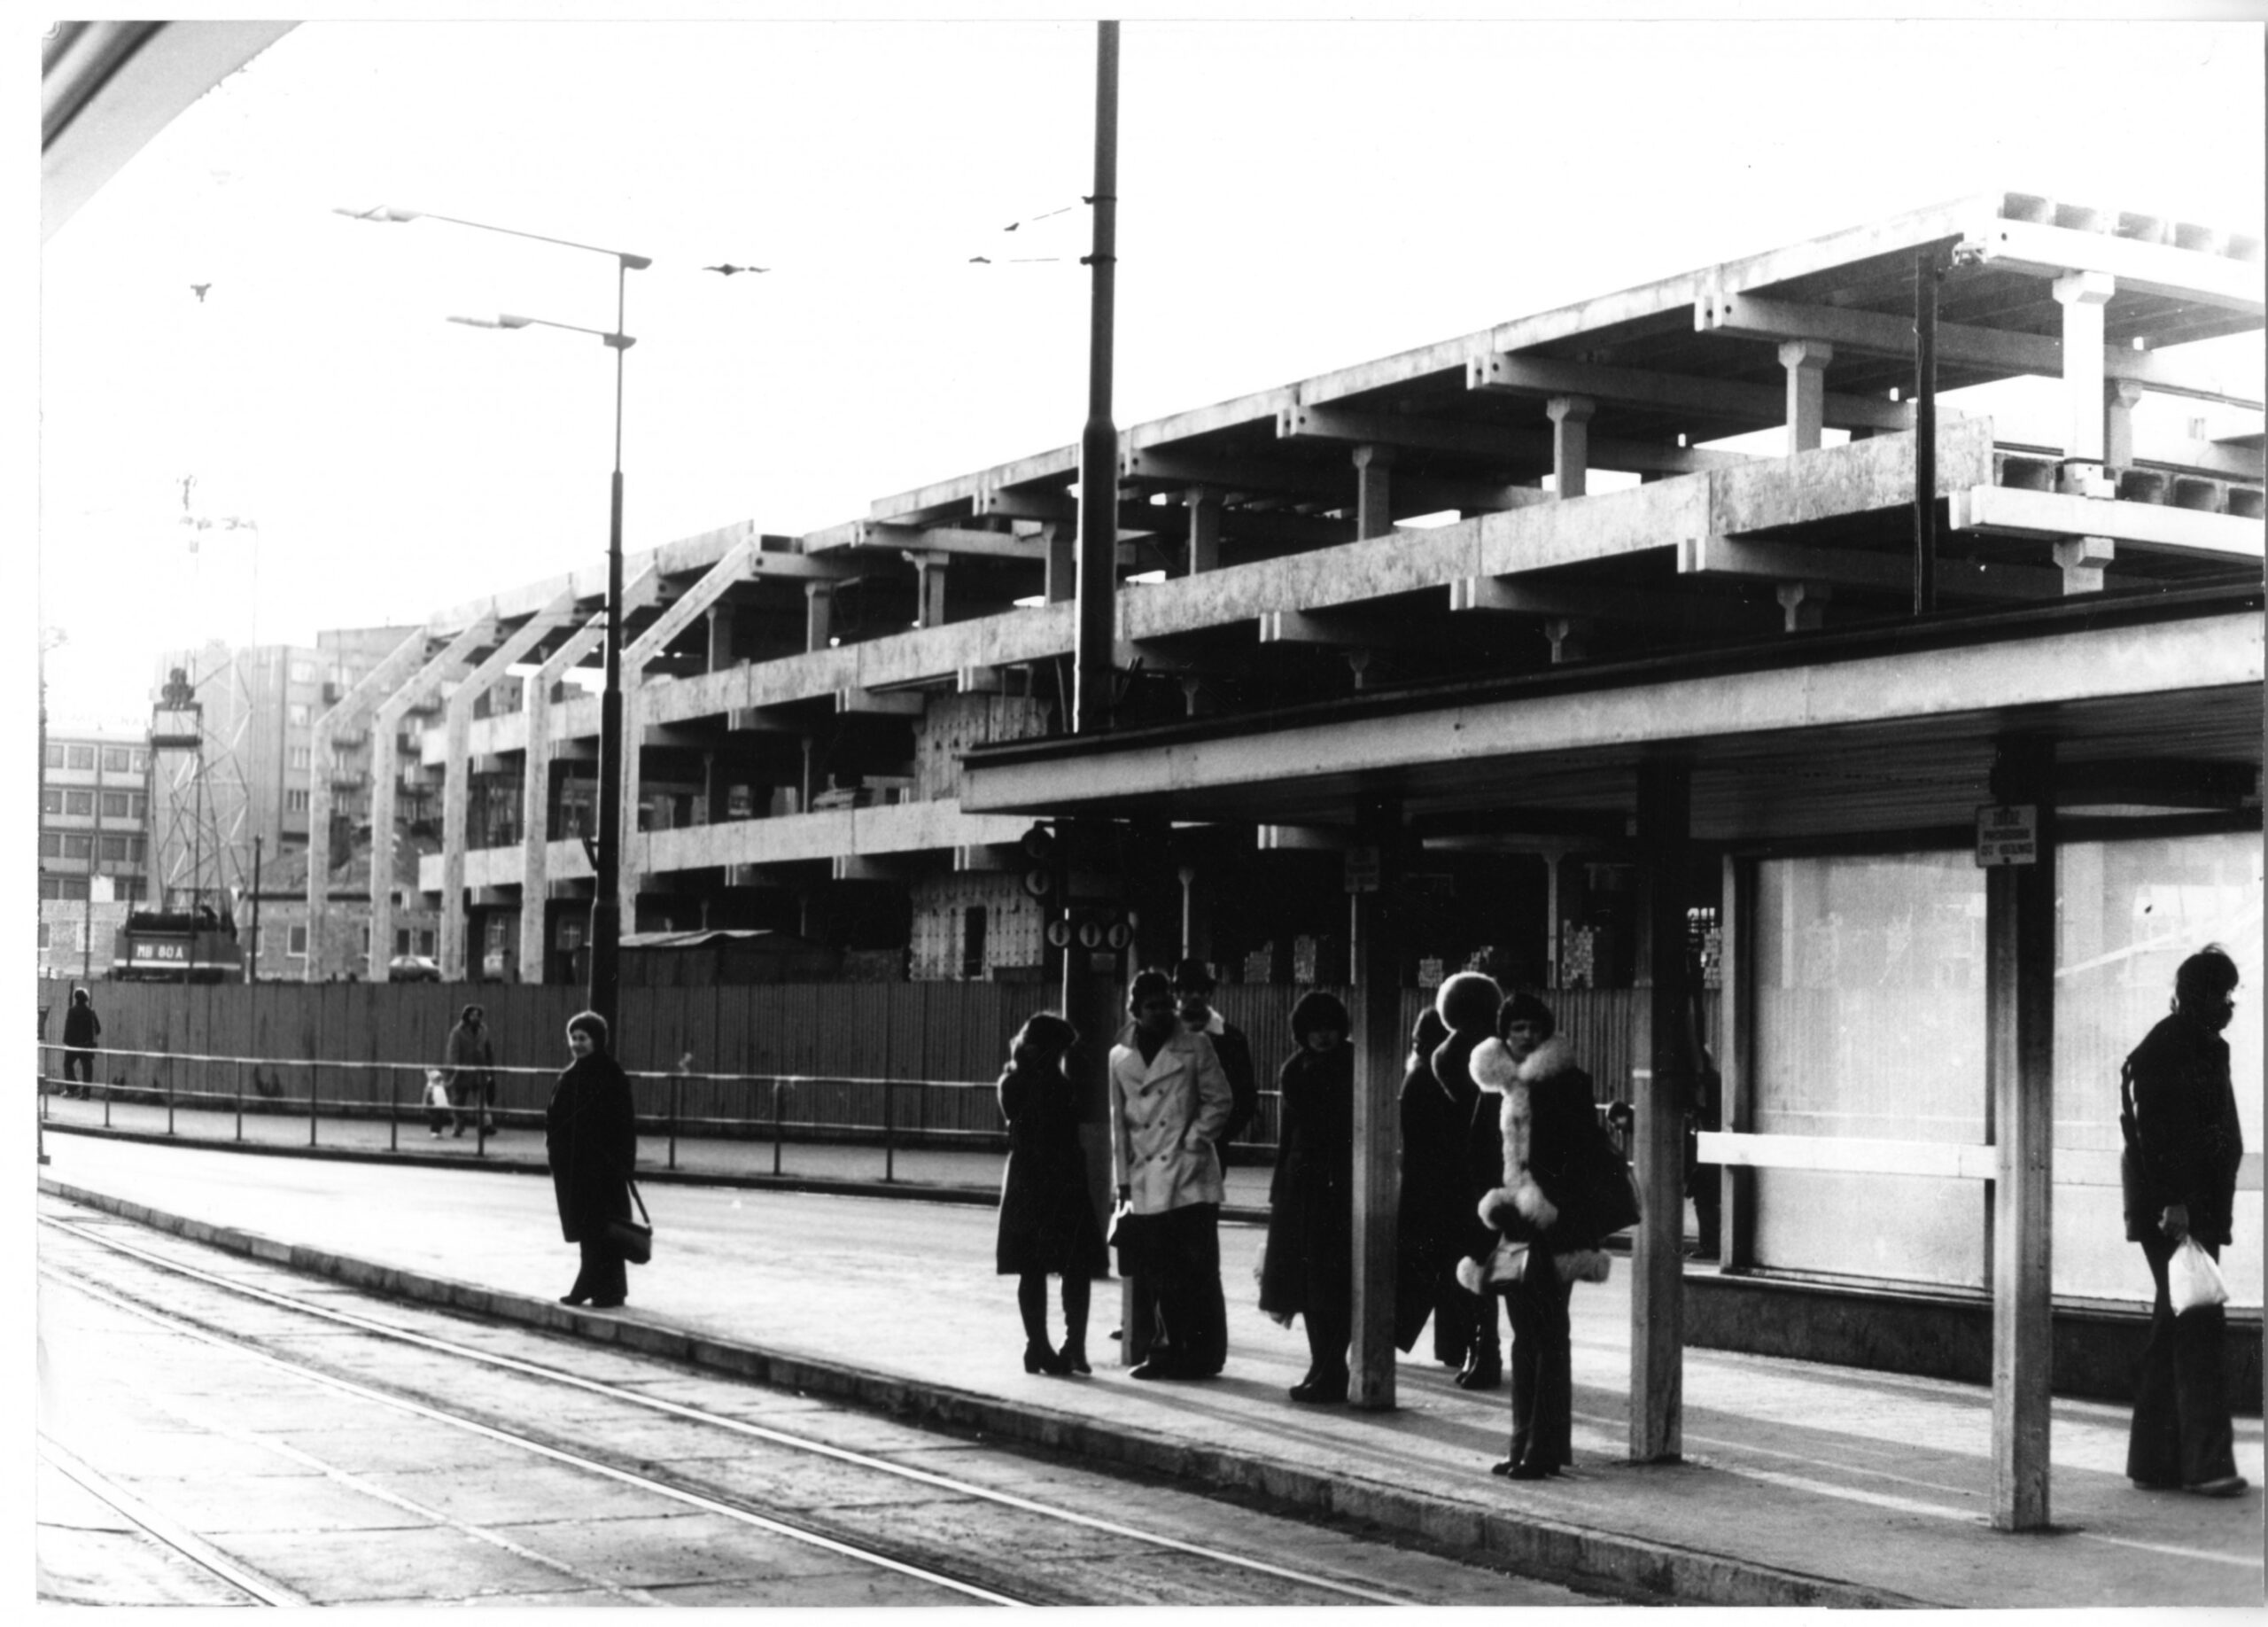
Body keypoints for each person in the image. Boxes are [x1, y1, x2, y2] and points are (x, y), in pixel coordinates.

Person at [1464, 993, 1631, 1481]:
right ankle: (1524, 1445)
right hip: (1513, 1225)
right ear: (1504, 1033)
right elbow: (1476, 1154)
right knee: (1525, 1337)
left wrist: (1548, 1202)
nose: (1525, 1035)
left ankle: (1544, 1449)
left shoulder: (1568, 1083)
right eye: (1516, 1027)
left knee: (1549, 1334)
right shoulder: (1494, 1086)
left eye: (1533, 1027)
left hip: (1557, 1226)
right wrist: (1494, 1203)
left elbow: (1580, 1155)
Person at [2121, 945, 2248, 1499]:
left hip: (2192, 1208)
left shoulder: (2188, 1043)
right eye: (2223, 995)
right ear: (2201, 994)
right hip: (2179, 1212)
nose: (2229, 1006)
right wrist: (2177, 1201)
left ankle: (2154, 1461)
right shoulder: (2173, 1048)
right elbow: (2159, 1133)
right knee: (2195, 1327)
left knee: (2174, 1326)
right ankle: (2205, 1464)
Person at [1110, 969, 1234, 1381]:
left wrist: (1195, 1140)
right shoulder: (1119, 1057)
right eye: (1152, 1006)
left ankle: (1204, 1355)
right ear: (1135, 1009)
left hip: (1190, 1174)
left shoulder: (1195, 1045)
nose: (1161, 1012)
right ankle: (1164, 1352)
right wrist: (1123, 1182)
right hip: (1146, 1175)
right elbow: (1119, 1123)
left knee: (1198, 1271)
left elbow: (1221, 1099)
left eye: (1166, 1003)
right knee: (1158, 1273)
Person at [996, 1012, 1108, 1376]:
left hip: (1048, 1180)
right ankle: (1042, 1345)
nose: (1061, 1057)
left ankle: (1067, 1345)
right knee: (1039, 1267)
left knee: (1065, 1266)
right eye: (1056, 1050)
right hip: (1042, 1179)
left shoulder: (1045, 1081)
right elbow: (1038, 1120)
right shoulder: (1018, 1083)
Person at [1259, 991, 1355, 1402]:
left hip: (1340, 1184)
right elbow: (1288, 1133)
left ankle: (1334, 1368)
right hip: (1300, 1184)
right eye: (1314, 1029)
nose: (1322, 1036)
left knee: (1331, 1284)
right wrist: (1278, 1188)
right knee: (1305, 1285)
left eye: (1329, 1028)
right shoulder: (1293, 1069)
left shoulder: (1354, 1064)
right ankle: (1323, 1365)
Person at [1431, 970, 1504, 1389]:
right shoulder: (1498, 1049)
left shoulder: (1446, 1053)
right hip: (1496, 1170)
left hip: (1460, 1177)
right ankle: (1486, 1348)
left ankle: (1480, 1347)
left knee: (1473, 1267)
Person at [1394, 1006, 1474, 1366]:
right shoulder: (1439, 1077)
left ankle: (1407, 1336)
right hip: (1447, 1186)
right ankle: (1452, 1346)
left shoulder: (1417, 1075)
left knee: (1425, 1268)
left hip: (1423, 1185)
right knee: (1449, 1272)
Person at [546, 1010, 639, 1311]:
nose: (576, 1043)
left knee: (602, 1229)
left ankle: (597, 1287)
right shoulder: (573, 1074)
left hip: (603, 1167)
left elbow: (624, 1123)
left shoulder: (609, 1074)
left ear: (597, 1040)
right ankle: (607, 1289)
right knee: (593, 1229)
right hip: (578, 1168)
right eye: (573, 1038)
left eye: (583, 1038)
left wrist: (623, 1163)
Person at [445, 1003, 497, 1137]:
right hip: (462, 1072)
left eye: (478, 1015)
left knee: (481, 1100)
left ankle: (485, 1125)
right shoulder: (457, 1031)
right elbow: (453, 1051)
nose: (476, 1017)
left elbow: (488, 1049)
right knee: (459, 1101)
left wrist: (490, 1069)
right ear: (466, 1015)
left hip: (479, 1072)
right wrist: (455, 1068)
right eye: (473, 1014)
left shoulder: (483, 1030)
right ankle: (458, 1127)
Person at [61, 987, 100, 1100]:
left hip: (73, 1045)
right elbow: (98, 1029)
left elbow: (68, 1029)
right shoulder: (90, 1012)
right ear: (86, 999)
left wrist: (68, 1042)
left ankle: (72, 1088)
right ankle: (85, 1093)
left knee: (67, 1065)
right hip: (86, 1045)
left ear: (75, 998)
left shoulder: (72, 1011)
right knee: (87, 1069)